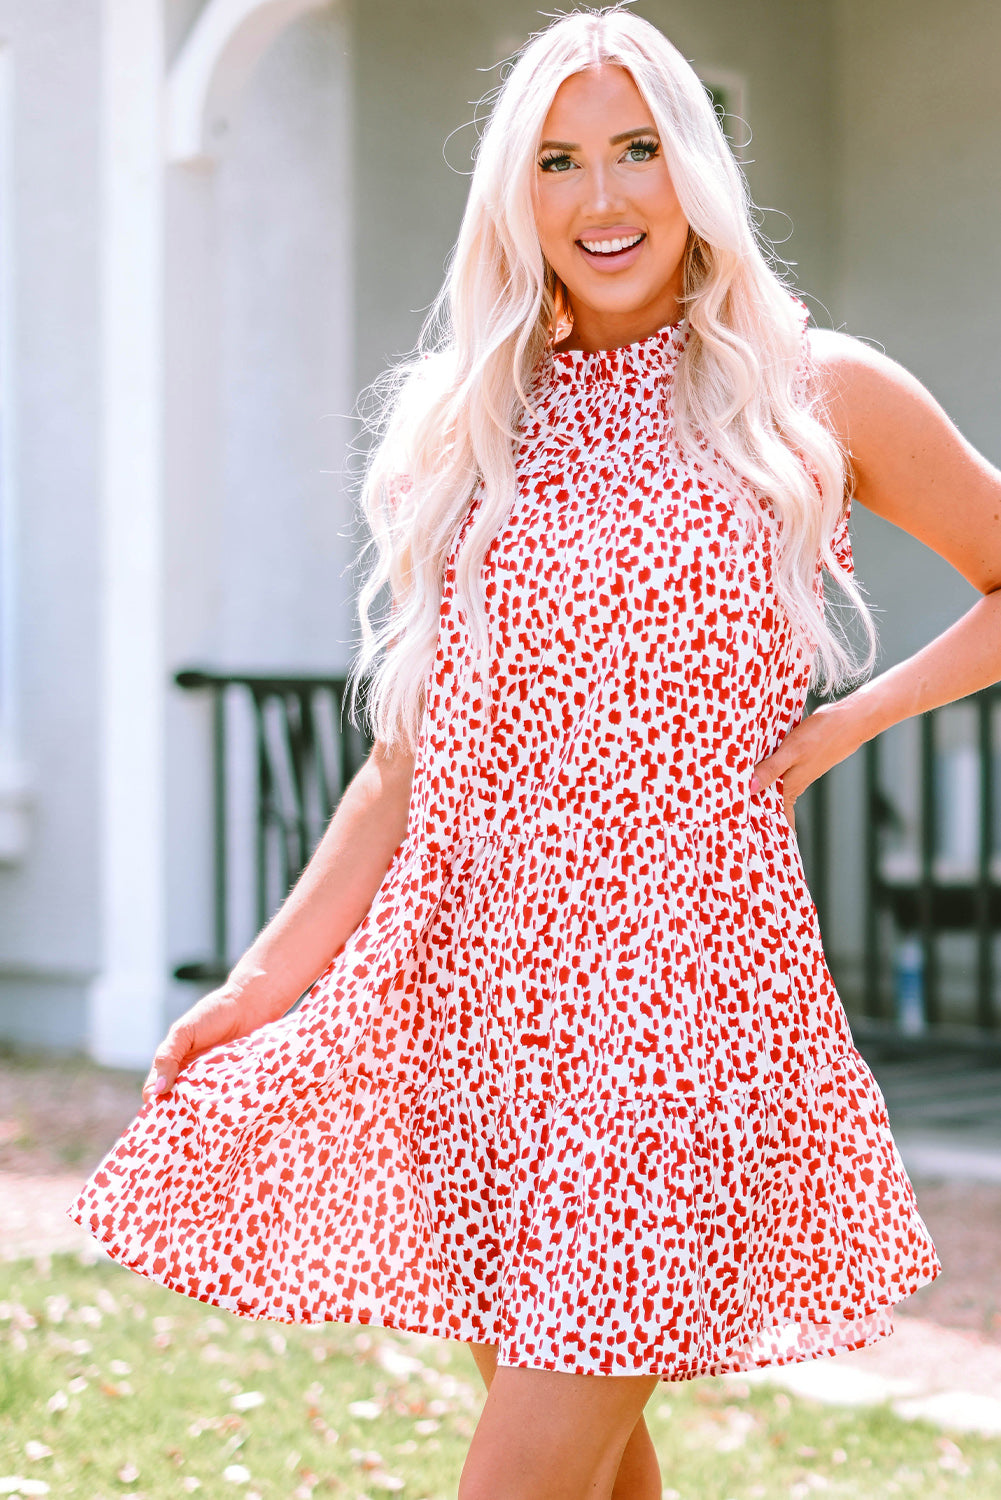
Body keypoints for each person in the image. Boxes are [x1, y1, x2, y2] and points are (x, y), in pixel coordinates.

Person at [69, 6, 1001, 1497]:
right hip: (476, 999)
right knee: (593, 1466)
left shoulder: (813, 389)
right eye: (558, 162)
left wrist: (837, 730)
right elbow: (407, 761)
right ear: (516, 197)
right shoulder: (474, 416)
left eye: (636, 148)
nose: (603, 197)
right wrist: (259, 985)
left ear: (691, 165)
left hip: (676, 1003)